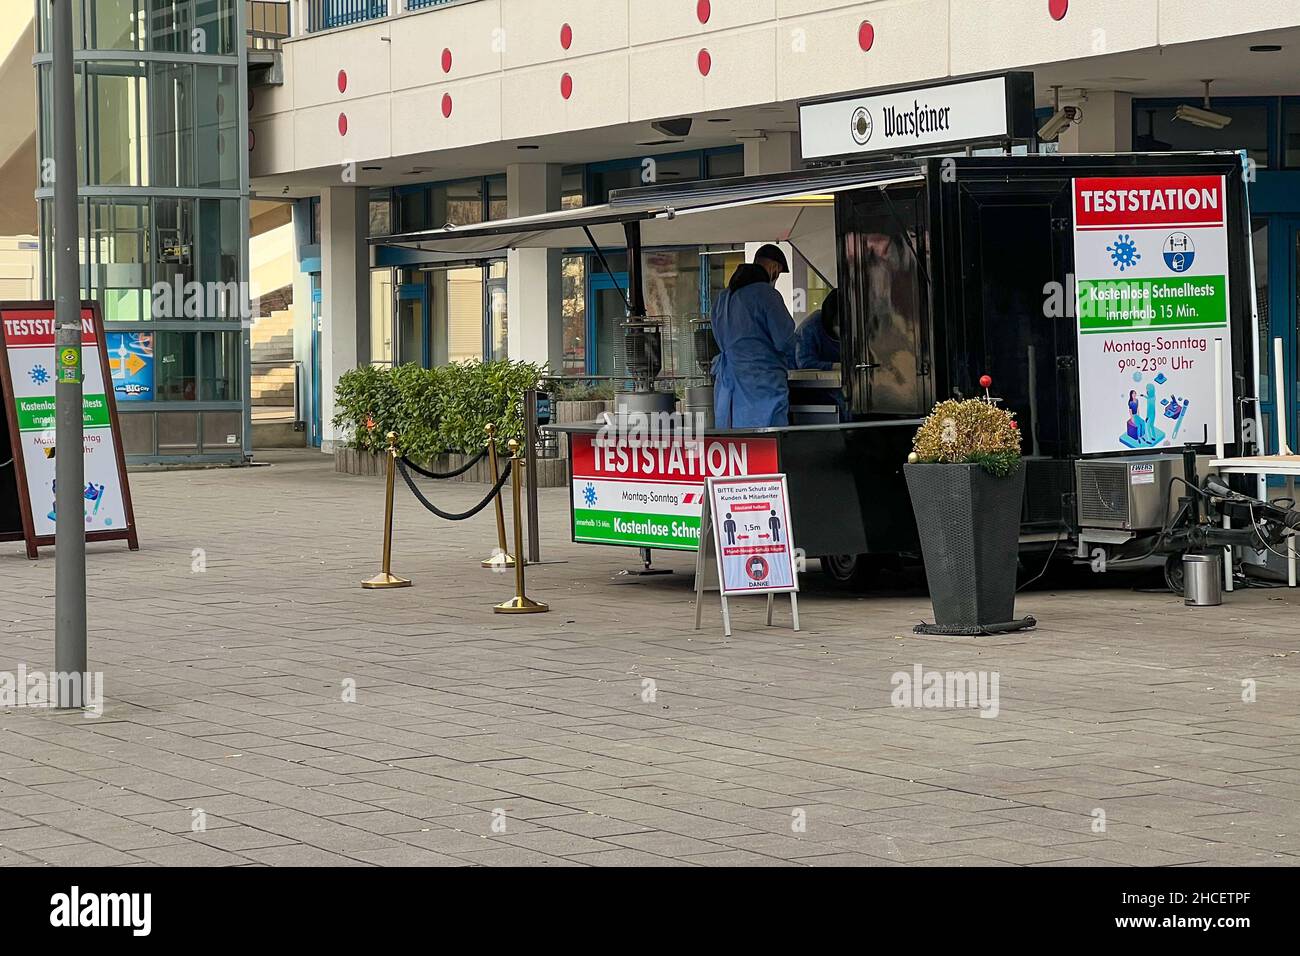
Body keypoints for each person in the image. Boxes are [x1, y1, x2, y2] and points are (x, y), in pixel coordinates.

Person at [711, 244, 797, 429]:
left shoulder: (723, 298)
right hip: (761, 384)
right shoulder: (767, 295)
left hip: (727, 386)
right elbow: (785, 340)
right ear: (774, 268)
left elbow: (718, 337)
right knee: (768, 439)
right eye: (779, 273)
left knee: (736, 447)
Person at [795, 289, 841, 371]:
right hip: (805, 379)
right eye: (837, 322)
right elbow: (805, 363)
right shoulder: (809, 328)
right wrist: (833, 366)